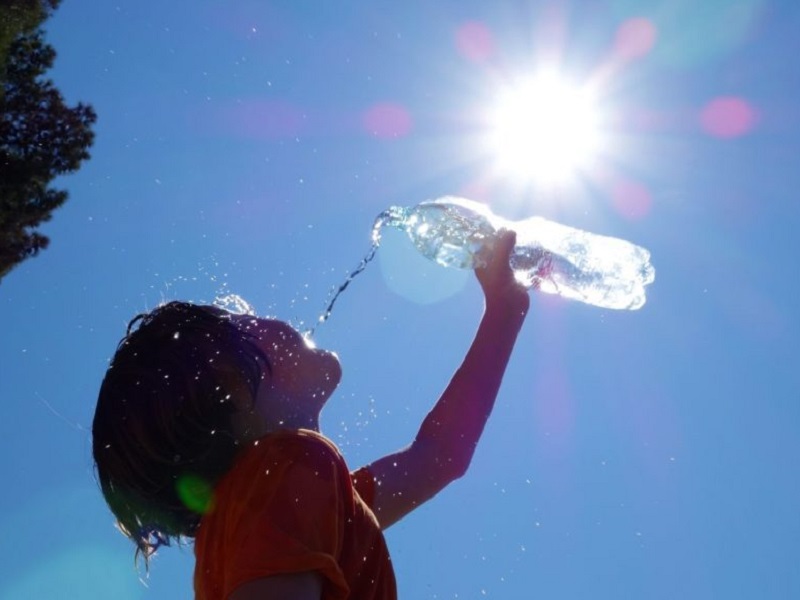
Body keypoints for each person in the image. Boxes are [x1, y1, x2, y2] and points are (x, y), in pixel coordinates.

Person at [92, 230, 529, 599]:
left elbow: (440, 455)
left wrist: (505, 311)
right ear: (229, 382)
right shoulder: (286, 467)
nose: (265, 316)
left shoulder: (293, 498)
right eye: (244, 320)